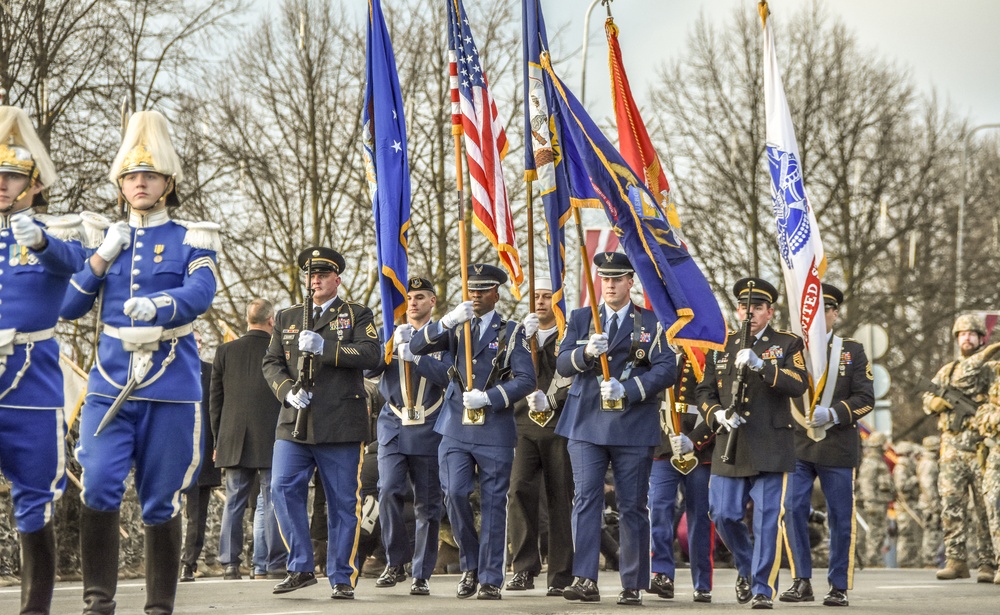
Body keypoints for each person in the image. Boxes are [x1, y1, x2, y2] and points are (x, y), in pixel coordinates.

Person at [62, 110, 219, 615]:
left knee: (160, 500)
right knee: (100, 485)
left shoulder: (191, 237)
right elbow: (67, 306)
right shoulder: (101, 236)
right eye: (131, 175)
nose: (140, 183)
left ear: (168, 182)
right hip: (109, 382)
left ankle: (158, 607)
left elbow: (201, 290)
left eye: (150, 175)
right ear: (121, 183)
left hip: (170, 385)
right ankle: (98, 602)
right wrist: (100, 260)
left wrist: (161, 305)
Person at [0, 106, 87, 615]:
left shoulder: (57, 229)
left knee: (34, 502)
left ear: (33, 184)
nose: (3, 186)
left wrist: (43, 240)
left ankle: (34, 610)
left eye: (13, 177)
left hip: (30, 380)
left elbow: (76, 265)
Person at [555, 252, 676, 606]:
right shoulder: (581, 319)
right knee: (586, 499)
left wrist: (630, 388)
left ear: (630, 282)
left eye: (617, 278)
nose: (609, 285)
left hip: (632, 424)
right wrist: (586, 354)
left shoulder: (650, 323)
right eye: (604, 279)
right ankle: (584, 578)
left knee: (632, 505)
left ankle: (633, 582)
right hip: (586, 422)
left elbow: (667, 368)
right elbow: (563, 363)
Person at [409, 263, 535, 600]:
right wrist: (446, 321)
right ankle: (471, 564)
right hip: (454, 424)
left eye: (483, 289)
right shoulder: (456, 325)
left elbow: (526, 380)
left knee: (494, 503)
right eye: (472, 289)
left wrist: (491, 397)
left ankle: (491, 577)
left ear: (497, 293)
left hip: (494, 427)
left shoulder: (511, 332)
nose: (475, 295)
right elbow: (417, 347)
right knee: (454, 493)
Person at [262, 247, 381, 600]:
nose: (315, 280)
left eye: (323, 275)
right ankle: (300, 565)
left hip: (341, 422)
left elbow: (372, 354)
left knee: (343, 502)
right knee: (281, 488)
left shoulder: (357, 314)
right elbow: (271, 363)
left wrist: (325, 347)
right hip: (294, 420)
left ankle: (341, 574)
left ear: (336, 280)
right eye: (311, 275)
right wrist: (286, 392)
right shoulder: (287, 317)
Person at [696, 277, 808, 609]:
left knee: (766, 518)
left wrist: (763, 366)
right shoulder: (722, 344)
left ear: (770, 312)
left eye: (757, 308)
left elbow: (798, 383)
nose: (750, 313)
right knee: (723, 514)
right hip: (731, 442)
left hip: (771, 443)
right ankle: (747, 565)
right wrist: (716, 414)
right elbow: (704, 391)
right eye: (745, 307)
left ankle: (762, 588)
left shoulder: (787, 344)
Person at [780, 284, 874, 607]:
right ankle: (801, 579)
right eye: (814, 311)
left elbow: (866, 399)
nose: (820, 317)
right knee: (792, 508)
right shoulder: (793, 349)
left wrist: (833, 413)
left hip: (837, 445)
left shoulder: (853, 351)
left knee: (840, 516)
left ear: (835, 313)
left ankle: (838, 585)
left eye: (826, 310)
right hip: (799, 443)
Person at [365, 276, 450, 596]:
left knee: (428, 505)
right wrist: (388, 349)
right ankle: (394, 560)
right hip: (394, 425)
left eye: (420, 297)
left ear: (432, 302)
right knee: (387, 490)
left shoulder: (444, 337)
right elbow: (368, 372)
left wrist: (418, 356)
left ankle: (421, 572)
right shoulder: (390, 333)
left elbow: (449, 376)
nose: (413, 302)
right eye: (409, 297)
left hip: (429, 427)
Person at [505, 277, 574, 596]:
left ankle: (560, 573)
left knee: (560, 499)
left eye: (548, 296)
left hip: (560, 424)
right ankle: (523, 567)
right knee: (519, 492)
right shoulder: (517, 334)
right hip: (523, 424)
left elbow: (573, 374)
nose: (542, 301)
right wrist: (523, 340)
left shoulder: (569, 333)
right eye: (537, 296)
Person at [210, 298, 286, 581]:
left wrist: (218, 441)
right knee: (273, 499)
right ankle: (274, 562)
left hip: (233, 438)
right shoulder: (278, 352)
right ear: (271, 321)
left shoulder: (225, 351)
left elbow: (215, 402)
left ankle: (230, 563)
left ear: (247, 319)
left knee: (234, 502)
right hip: (271, 437)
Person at [922, 314, 997, 582]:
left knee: (984, 508)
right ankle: (956, 560)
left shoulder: (990, 368)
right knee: (951, 505)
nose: (966, 337)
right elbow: (928, 395)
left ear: (981, 338)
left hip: (981, 447)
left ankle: (988, 563)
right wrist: (934, 404)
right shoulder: (948, 370)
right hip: (951, 447)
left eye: (971, 333)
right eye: (962, 333)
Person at [649, 351, 715, 603]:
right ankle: (662, 573)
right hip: (664, 446)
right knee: (658, 508)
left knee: (699, 516)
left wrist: (696, 440)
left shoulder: (705, 357)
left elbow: (718, 403)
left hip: (699, 449)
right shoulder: (660, 355)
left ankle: (702, 582)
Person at [179, 333, 222, 582]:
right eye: (191, 341)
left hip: (203, 451)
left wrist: (219, 444)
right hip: (174, 452)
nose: (196, 346)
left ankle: (189, 563)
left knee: (198, 514)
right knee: (168, 511)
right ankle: (165, 560)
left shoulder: (210, 371)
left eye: (199, 342)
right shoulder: (167, 370)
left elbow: (219, 409)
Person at [857, 431, 892, 567]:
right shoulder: (871, 462)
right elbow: (867, 483)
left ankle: (875, 557)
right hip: (874, 502)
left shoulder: (878, 461)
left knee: (880, 531)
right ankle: (872, 558)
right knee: (875, 531)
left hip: (880, 501)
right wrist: (870, 502)